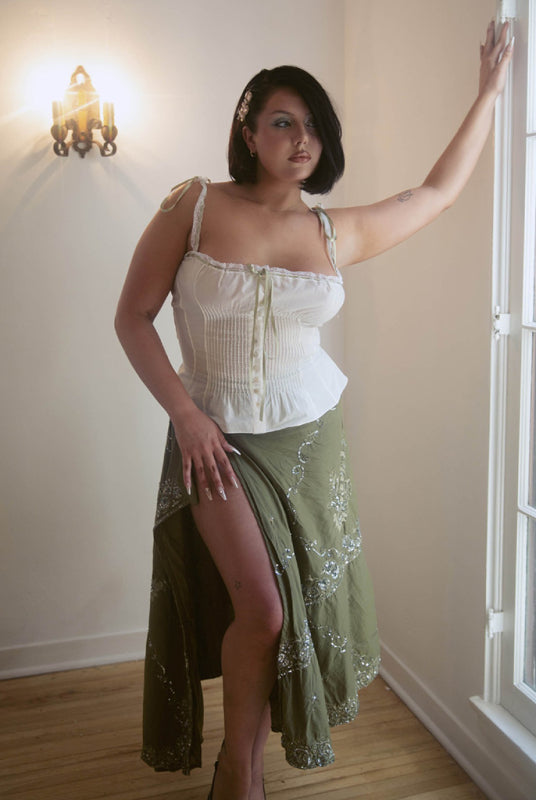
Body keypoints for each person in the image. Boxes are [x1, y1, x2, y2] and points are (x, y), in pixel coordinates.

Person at [115, 20, 513, 800]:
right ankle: (239, 770)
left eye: (313, 127)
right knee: (262, 610)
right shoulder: (194, 205)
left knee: (288, 611)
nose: (301, 139)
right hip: (215, 437)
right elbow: (132, 317)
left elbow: (436, 193)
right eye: (282, 122)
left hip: (310, 440)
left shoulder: (334, 232)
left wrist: (489, 94)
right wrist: (187, 416)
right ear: (248, 132)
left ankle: (240, 767)